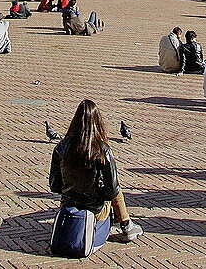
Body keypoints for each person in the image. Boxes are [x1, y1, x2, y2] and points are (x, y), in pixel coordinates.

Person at [49, 99, 142, 255]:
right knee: (116, 188)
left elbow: (55, 186)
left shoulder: (61, 148)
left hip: (68, 205)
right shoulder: (102, 151)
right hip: (95, 210)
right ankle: (126, 225)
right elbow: (111, 191)